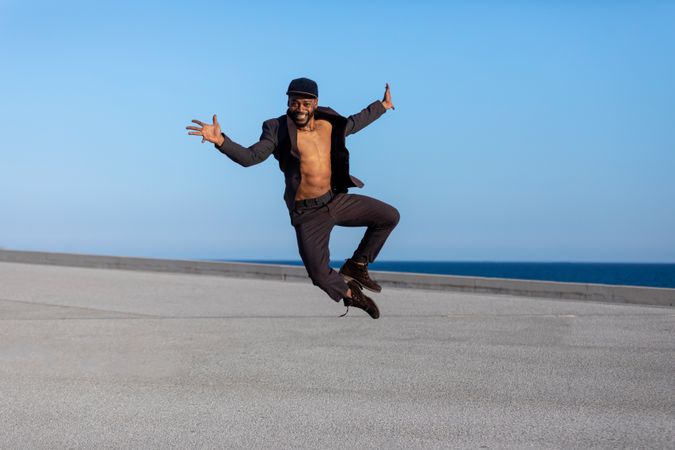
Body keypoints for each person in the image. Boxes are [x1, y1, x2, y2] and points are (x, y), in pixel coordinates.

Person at [186, 77, 399, 319]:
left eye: (305, 103)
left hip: (335, 200)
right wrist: (222, 141)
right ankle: (351, 294)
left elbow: (354, 123)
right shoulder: (276, 128)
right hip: (308, 213)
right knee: (319, 275)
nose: (299, 108)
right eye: (294, 102)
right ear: (288, 101)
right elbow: (251, 157)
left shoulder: (329, 122)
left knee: (389, 216)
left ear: (315, 103)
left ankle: (358, 265)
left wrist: (381, 106)